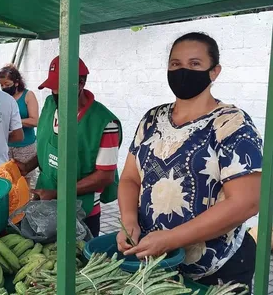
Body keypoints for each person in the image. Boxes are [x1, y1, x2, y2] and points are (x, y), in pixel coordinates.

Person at [116, 32, 261, 292]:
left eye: (195, 64)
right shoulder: (152, 119)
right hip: (157, 265)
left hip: (217, 269)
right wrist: (129, 222)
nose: (183, 71)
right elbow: (130, 178)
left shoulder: (232, 124)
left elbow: (246, 202)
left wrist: (172, 239)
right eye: (176, 64)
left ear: (214, 71)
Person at [16, 56, 121, 237]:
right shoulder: (50, 106)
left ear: (80, 84)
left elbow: (105, 176)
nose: (55, 91)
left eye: (60, 86)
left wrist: (58, 193)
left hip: (83, 210)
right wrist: (26, 166)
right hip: (45, 203)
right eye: (52, 87)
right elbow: (48, 147)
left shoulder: (104, 123)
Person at [0, 64, 39, 185]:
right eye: (1, 85)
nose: (4, 87)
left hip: (25, 147)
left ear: (16, 83)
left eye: (7, 84)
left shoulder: (28, 95)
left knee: (25, 182)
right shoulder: (1, 98)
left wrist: (16, 122)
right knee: (7, 181)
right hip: (6, 146)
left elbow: (35, 120)